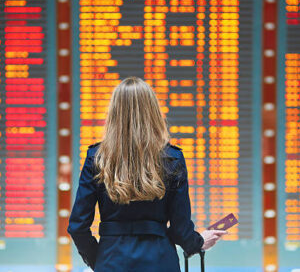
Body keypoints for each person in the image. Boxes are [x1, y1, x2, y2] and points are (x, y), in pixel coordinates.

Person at [67, 76, 227, 271]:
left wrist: (98, 260)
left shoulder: (97, 158)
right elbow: (179, 228)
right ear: (152, 111)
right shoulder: (172, 157)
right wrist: (198, 242)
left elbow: (78, 227)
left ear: (114, 112)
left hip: (111, 260)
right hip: (160, 261)